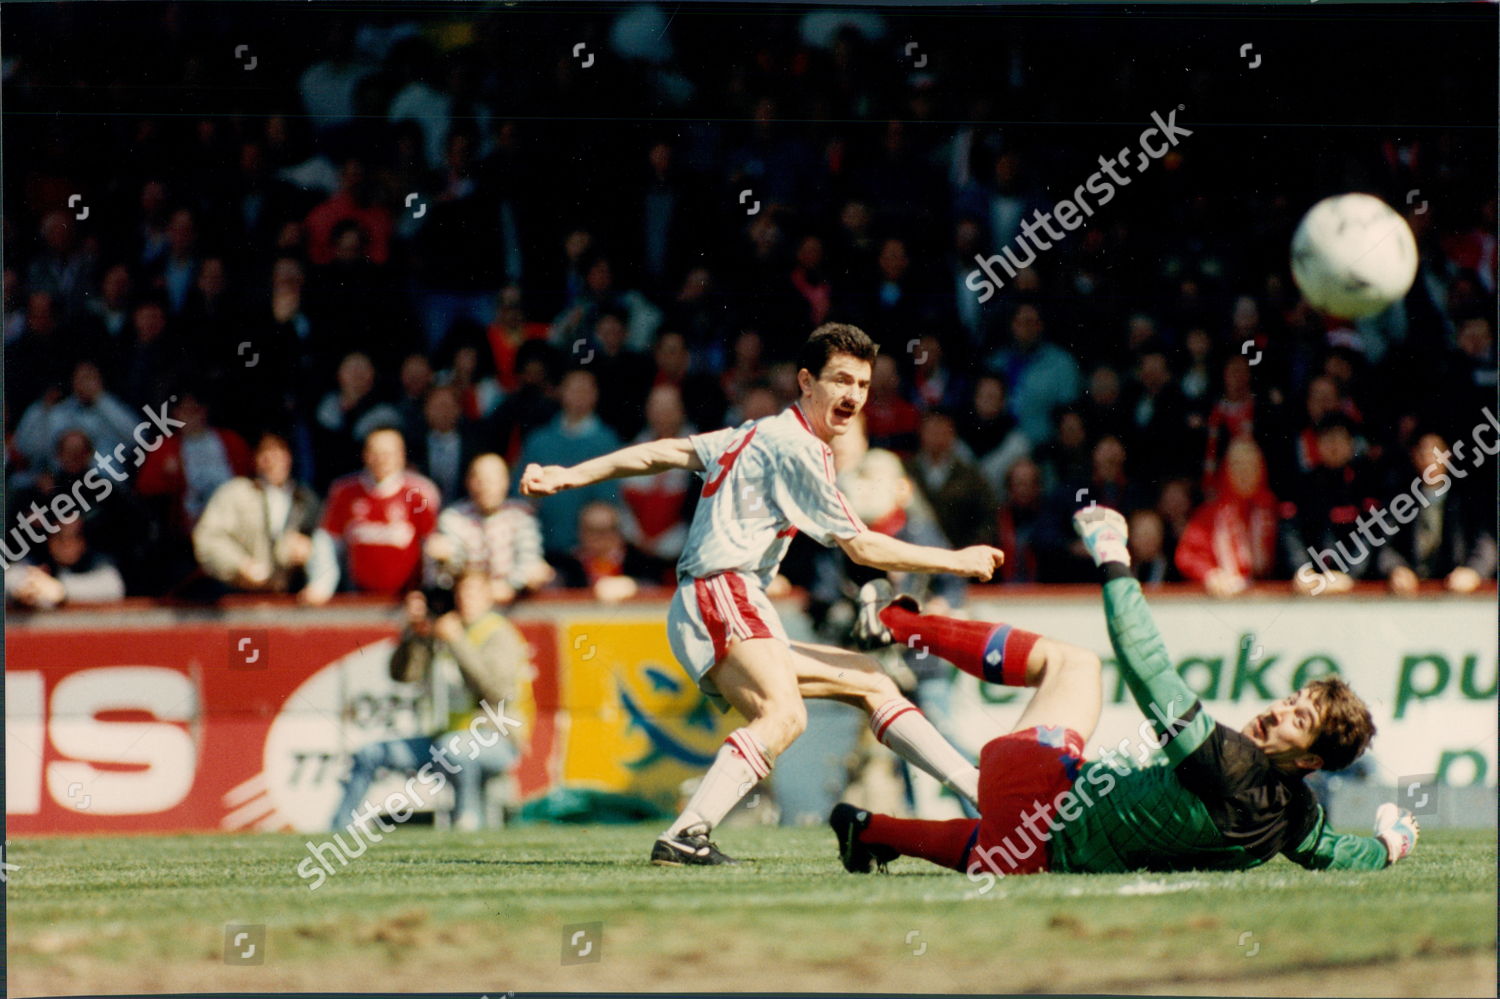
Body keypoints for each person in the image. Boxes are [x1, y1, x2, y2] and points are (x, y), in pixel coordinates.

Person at [520, 323, 1004, 866]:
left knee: (871, 680)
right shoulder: (798, 448)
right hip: (722, 591)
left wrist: (569, 475)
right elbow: (863, 548)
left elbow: (663, 453)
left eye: (863, 385)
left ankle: (979, 791)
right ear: (805, 382)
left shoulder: (750, 432)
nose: (853, 396)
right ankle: (685, 835)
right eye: (841, 380)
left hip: (718, 598)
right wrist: (955, 560)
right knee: (784, 714)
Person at [830, 506, 1420, 879]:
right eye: (1292, 698)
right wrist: (1390, 845)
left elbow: (1147, 668)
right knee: (1005, 847)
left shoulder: (1231, 763)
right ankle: (873, 830)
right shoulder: (1297, 814)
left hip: (1033, 782)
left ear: (1311, 757)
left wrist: (1113, 557)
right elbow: (1337, 853)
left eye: (1299, 717)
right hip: (1034, 854)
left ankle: (898, 624)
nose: (1278, 709)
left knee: (1076, 664)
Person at [331, 568, 531, 831]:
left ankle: (467, 822)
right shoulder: (441, 631)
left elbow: (497, 691)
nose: (464, 600)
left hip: (495, 739)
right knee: (370, 753)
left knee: (455, 749)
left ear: (487, 596)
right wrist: (415, 635)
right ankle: (339, 827)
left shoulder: (497, 632)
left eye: (471, 593)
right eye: (458, 594)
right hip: (442, 739)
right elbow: (402, 676)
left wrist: (458, 642)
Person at [302, 427, 440, 603]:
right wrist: (321, 585)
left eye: (388, 453)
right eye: (375, 452)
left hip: (406, 600)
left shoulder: (418, 492)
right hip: (358, 597)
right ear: (365, 454)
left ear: (401, 455)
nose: (382, 460)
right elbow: (327, 542)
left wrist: (426, 592)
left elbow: (432, 545)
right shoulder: (345, 491)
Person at [193, 432, 321, 592]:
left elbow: (328, 545)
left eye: (279, 451)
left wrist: (310, 549)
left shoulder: (307, 500)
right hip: (239, 594)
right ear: (255, 458)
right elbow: (208, 538)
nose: (272, 459)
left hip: (290, 598)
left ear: (290, 456)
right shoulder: (235, 493)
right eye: (264, 452)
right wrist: (240, 564)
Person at [425, 453, 552, 605]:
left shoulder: (521, 515)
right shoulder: (453, 518)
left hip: (512, 601)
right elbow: (446, 575)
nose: (485, 486)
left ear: (506, 481)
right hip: (466, 603)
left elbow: (530, 563)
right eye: (479, 479)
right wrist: (445, 561)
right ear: (468, 482)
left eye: (492, 480)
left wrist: (510, 585)